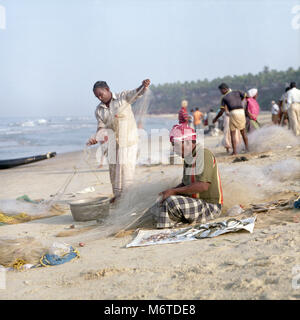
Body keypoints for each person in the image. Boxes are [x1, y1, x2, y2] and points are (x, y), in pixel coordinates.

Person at [87, 79, 151, 202]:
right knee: (113, 172)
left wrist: (143, 86)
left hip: (128, 142)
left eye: (101, 94)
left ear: (107, 89)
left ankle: (127, 199)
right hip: (111, 144)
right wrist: (96, 137)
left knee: (126, 170)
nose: (100, 98)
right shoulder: (99, 110)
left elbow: (137, 92)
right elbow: (101, 127)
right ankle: (118, 197)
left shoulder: (123, 97)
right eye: (97, 96)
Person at [155, 124, 223, 228]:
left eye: (176, 145)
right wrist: (169, 191)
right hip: (196, 203)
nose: (174, 149)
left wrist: (174, 192)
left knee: (171, 202)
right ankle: (168, 224)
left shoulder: (203, 154)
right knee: (160, 203)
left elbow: (203, 186)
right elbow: (185, 184)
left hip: (210, 207)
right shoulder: (188, 158)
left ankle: (163, 229)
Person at [213, 83, 249, 155]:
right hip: (241, 112)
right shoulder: (238, 92)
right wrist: (241, 101)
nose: (221, 92)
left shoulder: (224, 97)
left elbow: (222, 111)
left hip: (233, 112)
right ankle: (247, 149)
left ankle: (235, 152)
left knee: (233, 133)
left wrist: (216, 118)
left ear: (224, 89)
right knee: (243, 132)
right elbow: (246, 96)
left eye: (221, 91)